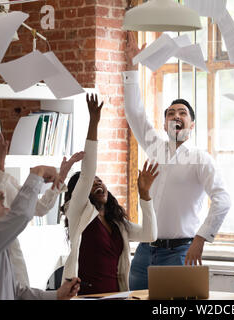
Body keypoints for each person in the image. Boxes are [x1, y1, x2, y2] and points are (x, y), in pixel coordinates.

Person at [123, 31, 231, 290]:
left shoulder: (199, 158)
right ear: (164, 123)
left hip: (180, 251)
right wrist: (131, 66)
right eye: (171, 113)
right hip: (145, 251)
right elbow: (135, 112)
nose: (176, 116)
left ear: (191, 125)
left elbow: (223, 199)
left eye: (182, 113)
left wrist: (201, 238)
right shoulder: (154, 147)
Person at [61, 93, 158, 295]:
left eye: (100, 180)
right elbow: (87, 173)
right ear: (79, 192)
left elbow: (150, 234)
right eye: (91, 183)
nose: (98, 182)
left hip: (117, 294)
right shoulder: (78, 211)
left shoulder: (116, 223)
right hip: (85, 295)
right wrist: (94, 122)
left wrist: (145, 195)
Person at [0, 114, 83, 287]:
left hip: (14, 259)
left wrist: (61, 176)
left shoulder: (6, 177)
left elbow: (38, 209)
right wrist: (0, 164)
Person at [0, 165, 80, 299]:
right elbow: (21, 214)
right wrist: (37, 173)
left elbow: (17, 292)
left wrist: (57, 295)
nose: (1, 194)